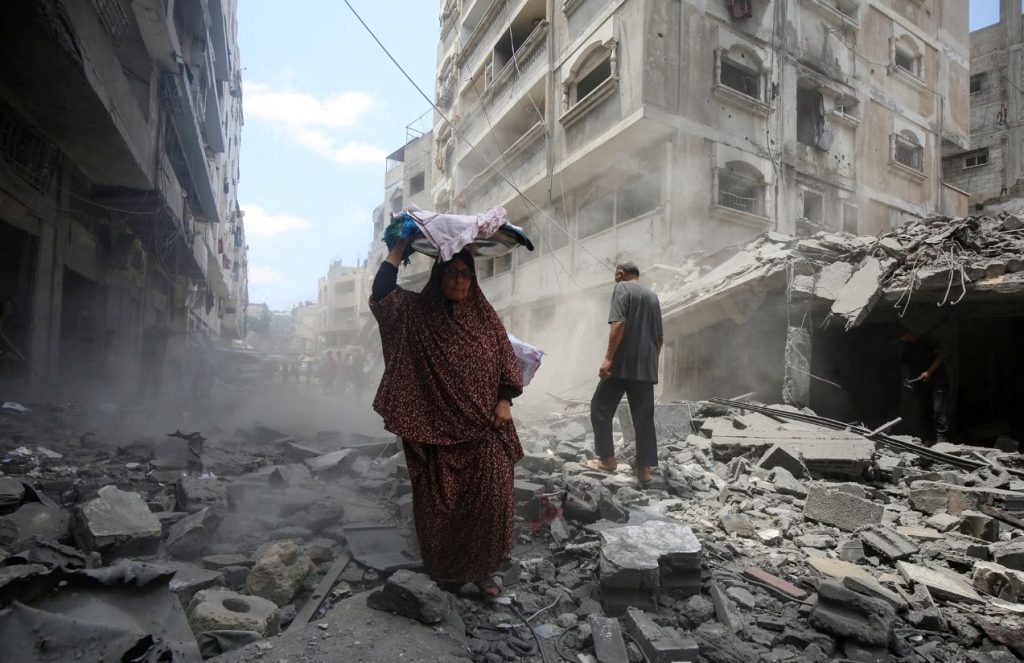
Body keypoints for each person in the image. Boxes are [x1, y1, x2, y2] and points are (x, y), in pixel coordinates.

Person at [370, 237, 523, 596]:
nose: (459, 280)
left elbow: (507, 364)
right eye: (452, 273)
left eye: (466, 274)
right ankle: (446, 573)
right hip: (435, 431)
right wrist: (399, 249)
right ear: (438, 276)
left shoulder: (486, 319)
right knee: (441, 506)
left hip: (485, 428)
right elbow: (382, 295)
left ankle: (483, 570)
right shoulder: (416, 313)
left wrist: (504, 401)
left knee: (490, 500)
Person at [586, 262, 664, 486]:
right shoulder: (653, 296)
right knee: (643, 418)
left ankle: (607, 460)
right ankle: (644, 470)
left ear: (620, 274)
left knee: (600, 408)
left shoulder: (622, 288)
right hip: (645, 367)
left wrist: (609, 358)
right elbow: (660, 338)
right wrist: (649, 362)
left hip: (622, 364)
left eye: (615, 276)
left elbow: (618, 323)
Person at [899, 329, 949, 445]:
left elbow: (940, 356)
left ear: (907, 333)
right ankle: (928, 440)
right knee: (924, 411)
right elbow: (905, 364)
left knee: (938, 411)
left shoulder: (928, 340)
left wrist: (928, 372)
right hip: (921, 383)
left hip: (938, 381)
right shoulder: (907, 346)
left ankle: (941, 441)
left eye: (903, 337)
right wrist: (907, 378)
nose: (902, 340)